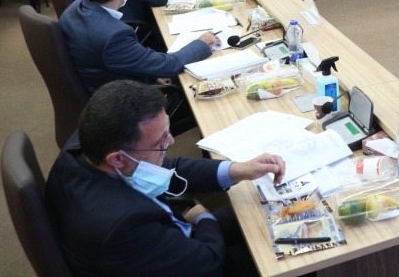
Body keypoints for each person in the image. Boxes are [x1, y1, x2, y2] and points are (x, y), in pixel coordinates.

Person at [46, 80, 284, 277]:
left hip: (160, 242)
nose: (171, 142)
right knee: (280, 254)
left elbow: (167, 167)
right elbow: (209, 263)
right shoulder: (125, 227)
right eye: (160, 141)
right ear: (117, 159)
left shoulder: (86, 146)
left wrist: (239, 169)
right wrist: (204, 217)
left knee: (266, 211)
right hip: (183, 261)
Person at [60, 0, 220, 93]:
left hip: (106, 78)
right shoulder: (114, 36)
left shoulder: (75, 7)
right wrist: (202, 43)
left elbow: (119, 60)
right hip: (122, 99)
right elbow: (170, 65)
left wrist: (151, 71)